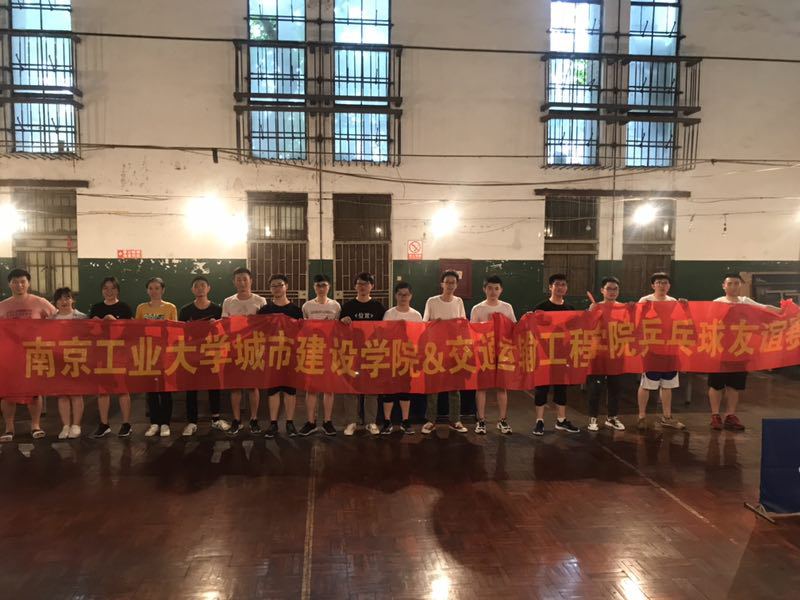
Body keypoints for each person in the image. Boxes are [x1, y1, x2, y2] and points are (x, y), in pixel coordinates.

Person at [708, 272, 781, 432]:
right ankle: (715, 415)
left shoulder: (745, 301)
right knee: (716, 384)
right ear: (723, 286)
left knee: (734, 385)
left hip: (740, 349)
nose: (733, 286)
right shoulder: (717, 302)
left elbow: (766, 309)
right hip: (720, 350)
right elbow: (705, 321)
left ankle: (730, 415)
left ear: (741, 285)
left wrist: (785, 311)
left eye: (736, 283)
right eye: (730, 283)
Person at [0, 268, 57, 442]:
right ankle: (9, 428)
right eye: (15, 282)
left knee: (34, 392)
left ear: (28, 283)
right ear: (9, 284)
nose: (19, 285)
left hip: (34, 354)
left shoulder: (40, 302)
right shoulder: (2, 306)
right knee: (7, 393)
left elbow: (58, 320)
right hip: (9, 357)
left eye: (22, 281)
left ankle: (35, 425)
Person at [178, 276, 230, 436]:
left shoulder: (217, 309)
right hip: (192, 355)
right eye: (196, 286)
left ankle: (216, 419)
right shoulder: (185, 310)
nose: (200, 288)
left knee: (214, 386)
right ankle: (192, 422)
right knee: (191, 388)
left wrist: (216, 326)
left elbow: (224, 333)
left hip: (212, 353)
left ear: (209, 288)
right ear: (192, 289)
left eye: (203, 285)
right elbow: (180, 334)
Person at [421, 270, 470, 435]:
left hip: (453, 349)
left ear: (456, 285)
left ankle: (455, 420)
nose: (450, 285)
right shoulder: (432, 301)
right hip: (435, 349)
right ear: (442, 284)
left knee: (455, 387)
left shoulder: (459, 301)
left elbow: (463, 323)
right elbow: (424, 323)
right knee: (433, 386)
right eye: (447, 282)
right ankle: (430, 420)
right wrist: (436, 323)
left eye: (453, 282)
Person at [531, 273, 580, 436]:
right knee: (541, 387)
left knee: (561, 387)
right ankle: (539, 421)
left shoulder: (570, 309)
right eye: (557, 284)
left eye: (563, 284)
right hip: (544, 354)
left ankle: (561, 420)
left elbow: (576, 330)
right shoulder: (541, 307)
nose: (560, 287)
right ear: (550, 287)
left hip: (563, 354)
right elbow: (534, 331)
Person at [637, 272, 685, 431]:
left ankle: (667, 417)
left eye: (665, 283)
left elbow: (682, 323)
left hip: (670, 349)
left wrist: (685, 307)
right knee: (647, 384)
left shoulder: (674, 302)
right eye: (658, 282)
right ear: (653, 285)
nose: (662, 285)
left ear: (669, 286)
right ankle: (641, 416)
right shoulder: (645, 301)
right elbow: (637, 322)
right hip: (651, 349)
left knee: (667, 384)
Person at [257, 274, 303, 438]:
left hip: (290, 355)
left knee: (290, 390)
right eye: (273, 286)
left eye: (280, 285)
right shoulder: (264, 311)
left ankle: (290, 423)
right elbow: (258, 333)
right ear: (270, 289)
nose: (277, 288)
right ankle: (273, 423)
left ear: (286, 286)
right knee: (273, 390)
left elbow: (301, 334)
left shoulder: (296, 310)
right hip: (271, 355)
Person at [340, 272, 385, 436]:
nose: (362, 286)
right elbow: (339, 331)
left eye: (366, 284)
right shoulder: (348, 307)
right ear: (355, 286)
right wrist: (342, 322)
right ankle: (351, 422)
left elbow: (384, 330)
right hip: (352, 353)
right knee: (351, 388)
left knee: (371, 388)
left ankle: (370, 422)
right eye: (359, 283)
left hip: (372, 353)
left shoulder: (379, 307)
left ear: (372, 286)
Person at [221, 267, 266, 435]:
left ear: (251, 280)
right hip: (234, 349)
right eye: (238, 279)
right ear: (234, 282)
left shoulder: (260, 301)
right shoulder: (228, 301)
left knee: (253, 386)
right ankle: (237, 420)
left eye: (244, 279)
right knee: (235, 387)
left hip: (254, 349)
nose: (242, 282)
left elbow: (266, 325)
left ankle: (254, 419)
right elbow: (224, 325)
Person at [89, 276, 134, 438]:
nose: (109, 291)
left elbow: (130, 332)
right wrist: (97, 323)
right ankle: (104, 424)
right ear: (102, 290)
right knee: (102, 390)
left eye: (112, 288)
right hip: (101, 353)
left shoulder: (124, 307)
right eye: (105, 288)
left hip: (119, 353)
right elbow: (91, 333)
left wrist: (114, 322)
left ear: (117, 290)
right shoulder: (96, 308)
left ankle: (126, 423)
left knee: (122, 388)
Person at [470, 275, 516, 435]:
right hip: (484, 353)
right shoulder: (477, 309)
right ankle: (481, 421)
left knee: (502, 387)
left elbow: (513, 328)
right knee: (481, 387)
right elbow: (473, 332)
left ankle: (502, 420)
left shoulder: (507, 307)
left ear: (501, 290)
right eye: (489, 288)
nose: (493, 291)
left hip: (502, 353)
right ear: (484, 289)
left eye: (496, 288)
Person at [299, 274, 341, 436]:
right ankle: (311, 422)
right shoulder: (307, 306)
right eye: (318, 285)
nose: (321, 288)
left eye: (324, 285)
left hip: (329, 351)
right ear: (314, 287)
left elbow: (339, 329)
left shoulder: (335, 306)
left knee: (328, 388)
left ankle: (327, 421)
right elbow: (302, 328)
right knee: (311, 388)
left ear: (329, 287)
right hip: (312, 350)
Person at [136, 277, 178, 437]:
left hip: (165, 354)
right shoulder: (141, 308)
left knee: (166, 390)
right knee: (151, 391)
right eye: (151, 288)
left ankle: (165, 423)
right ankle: (154, 423)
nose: (154, 291)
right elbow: (136, 330)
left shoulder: (170, 307)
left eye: (157, 288)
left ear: (163, 290)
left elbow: (175, 330)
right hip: (147, 354)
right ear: (147, 290)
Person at [380, 281, 423, 435]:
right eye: (400, 294)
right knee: (389, 390)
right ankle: (387, 421)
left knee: (405, 389)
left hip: (408, 357)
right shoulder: (389, 314)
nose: (403, 297)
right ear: (395, 296)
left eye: (406, 294)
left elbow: (420, 337)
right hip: (391, 356)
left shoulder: (416, 315)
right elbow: (383, 334)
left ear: (411, 296)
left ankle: (405, 421)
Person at [586, 277, 626, 432]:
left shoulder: (623, 308)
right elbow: (586, 327)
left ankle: (612, 418)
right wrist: (591, 312)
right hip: (597, 355)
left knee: (616, 388)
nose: (612, 292)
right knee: (595, 388)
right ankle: (593, 418)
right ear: (602, 290)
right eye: (609, 288)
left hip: (616, 354)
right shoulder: (595, 307)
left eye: (615, 289)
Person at [51, 287, 87, 439]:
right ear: (55, 302)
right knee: (62, 394)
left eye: (67, 298)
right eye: (60, 299)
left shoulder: (82, 318)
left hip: (77, 360)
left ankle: (76, 425)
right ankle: (65, 425)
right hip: (58, 361)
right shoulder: (50, 320)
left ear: (73, 300)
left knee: (76, 393)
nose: (64, 301)